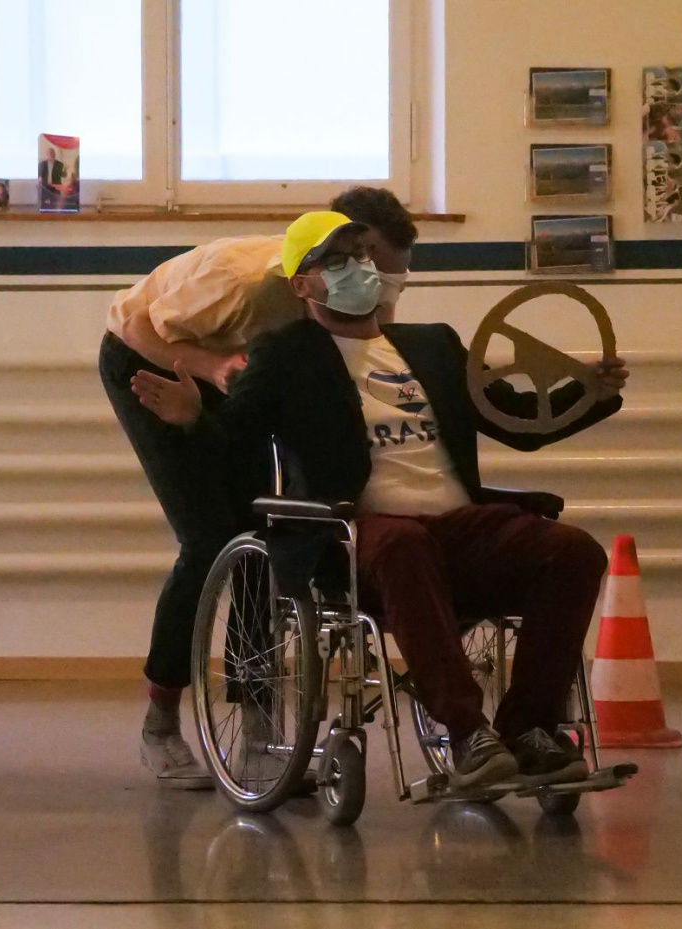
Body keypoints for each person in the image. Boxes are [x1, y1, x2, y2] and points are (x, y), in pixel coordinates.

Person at [132, 211, 630, 789]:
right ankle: (468, 734)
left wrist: (589, 391)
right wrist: (194, 421)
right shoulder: (286, 355)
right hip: (357, 538)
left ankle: (530, 729)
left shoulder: (434, 345)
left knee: (572, 551)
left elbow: (517, 423)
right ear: (302, 284)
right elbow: (235, 446)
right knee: (403, 543)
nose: (358, 268)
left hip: (457, 526)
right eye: (335, 261)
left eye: (362, 255)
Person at [98, 189, 417, 789]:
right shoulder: (240, 279)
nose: (372, 279)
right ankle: (160, 724)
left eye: (386, 273)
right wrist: (211, 370)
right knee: (209, 539)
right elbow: (136, 325)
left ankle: (260, 729)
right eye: (360, 260)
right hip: (156, 359)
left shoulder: (371, 277)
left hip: (245, 365)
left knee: (266, 533)